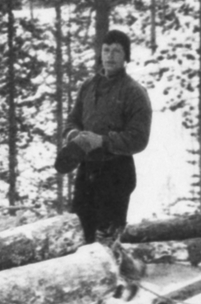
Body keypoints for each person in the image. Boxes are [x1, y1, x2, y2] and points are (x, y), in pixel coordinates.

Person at [59, 29, 152, 245]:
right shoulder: (88, 87)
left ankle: (115, 276)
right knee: (81, 237)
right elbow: (71, 120)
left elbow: (139, 138)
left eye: (117, 51)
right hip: (87, 172)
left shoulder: (134, 92)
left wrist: (102, 141)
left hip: (116, 172)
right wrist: (74, 135)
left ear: (126, 57)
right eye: (106, 50)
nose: (110, 56)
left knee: (107, 241)